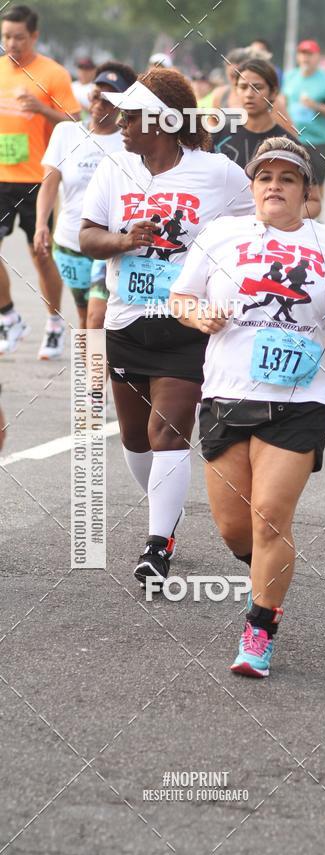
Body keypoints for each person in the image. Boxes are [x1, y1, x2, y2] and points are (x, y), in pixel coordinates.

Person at [170, 137, 325, 677]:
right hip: (227, 395)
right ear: (252, 187)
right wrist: (198, 316)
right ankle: (266, 572)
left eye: (287, 179)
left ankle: (260, 627)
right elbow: (181, 298)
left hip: (299, 401)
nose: (274, 186)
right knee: (234, 529)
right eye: (265, 178)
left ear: (308, 192)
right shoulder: (221, 235)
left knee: (269, 519)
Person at [79, 68, 255, 586]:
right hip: (127, 320)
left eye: (131, 116)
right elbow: (87, 236)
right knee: (135, 439)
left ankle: (158, 544)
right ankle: (167, 512)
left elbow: (257, 227)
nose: (121, 123)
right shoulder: (114, 168)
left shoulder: (218, 173)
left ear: (163, 120)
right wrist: (124, 241)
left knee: (167, 431)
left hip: (186, 323)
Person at [0, 4, 81, 358]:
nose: (12, 43)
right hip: (1, 176)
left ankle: (53, 321)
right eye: (6, 36)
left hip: (37, 179)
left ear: (34, 36)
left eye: (19, 37)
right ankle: (9, 316)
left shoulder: (53, 73)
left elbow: (74, 122)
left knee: (41, 254)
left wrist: (40, 108)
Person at [34, 62, 137, 329]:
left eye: (109, 96)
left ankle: (98, 370)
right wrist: (41, 225)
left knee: (96, 317)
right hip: (69, 243)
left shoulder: (130, 143)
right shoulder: (66, 133)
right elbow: (49, 184)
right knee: (83, 318)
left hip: (107, 243)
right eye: (97, 92)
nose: (100, 101)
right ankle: (90, 371)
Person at [215, 58, 321, 218]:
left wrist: (276, 218)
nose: (249, 94)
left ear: (273, 92)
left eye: (257, 88)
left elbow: (314, 202)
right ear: (235, 90)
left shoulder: (290, 146)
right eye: (243, 87)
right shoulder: (217, 137)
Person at [282, 40, 325, 198]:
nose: (305, 58)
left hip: (318, 141)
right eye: (302, 54)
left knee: (317, 182)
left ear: (318, 57)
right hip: (293, 139)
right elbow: (281, 103)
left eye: (309, 54)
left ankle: (316, 217)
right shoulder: (289, 77)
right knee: (292, 180)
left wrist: (314, 106)